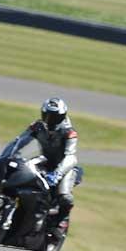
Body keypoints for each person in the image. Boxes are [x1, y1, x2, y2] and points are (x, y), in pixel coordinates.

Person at [24, 97, 79, 241]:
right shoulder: (38, 126)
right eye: (47, 115)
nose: (50, 119)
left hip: (65, 168)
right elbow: (20, 141)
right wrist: (8, 156)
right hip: (46, 162)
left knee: (64, 196)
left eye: (54, 117)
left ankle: (60, 223)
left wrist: (57, 174)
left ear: (62, 116)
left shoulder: (69, 132)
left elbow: (71, 157)